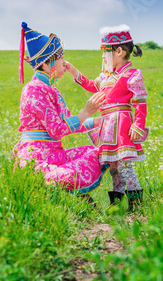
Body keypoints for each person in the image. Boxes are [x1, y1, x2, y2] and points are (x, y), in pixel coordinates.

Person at [13, 22, 109, 198]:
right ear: (48, 64)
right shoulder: (34, 89)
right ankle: (62, 195)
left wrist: (98, 121)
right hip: (38, 158)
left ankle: (74, 199)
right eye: (61, 59)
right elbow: (57, 129)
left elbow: (69, 123)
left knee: (97, 152)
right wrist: (86, 112)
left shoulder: (50, 89)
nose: (65, 64)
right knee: (70, 172)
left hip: (53, 154)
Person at [64, 24, 149, 211]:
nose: (103, 57)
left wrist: (138, 126)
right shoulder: (105, 76)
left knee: (125, 165)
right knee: (113, 167)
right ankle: (116, 205)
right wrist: (72, 70)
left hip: (122, 126)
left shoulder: (132, 75)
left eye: (105, 53)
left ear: (119, 51)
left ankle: (136, 203)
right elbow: (90, 85)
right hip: (108, 126)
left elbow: (140, 103)